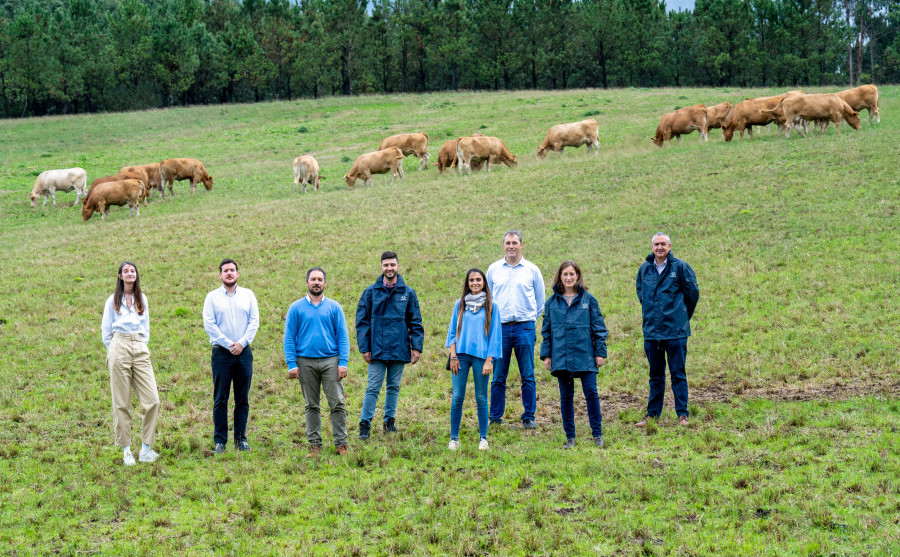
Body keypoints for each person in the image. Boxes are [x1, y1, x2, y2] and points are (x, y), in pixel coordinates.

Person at [355, 251, 424, 439]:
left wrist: (416, 347)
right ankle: (365, 424)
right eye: (386, 265)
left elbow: (415, 321)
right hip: (376, 349)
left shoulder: (408, 293)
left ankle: (389, 422)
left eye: (392, 265)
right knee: (373, 387)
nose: (389, 268)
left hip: (399, 349)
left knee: (393, 387)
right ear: (381, 267)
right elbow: (362, 322)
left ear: (398, 266)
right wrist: (365, 348)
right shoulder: (370, 292)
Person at [540, 260, 608, 449]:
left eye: (572, 274)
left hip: (585, 355)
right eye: (565, 274)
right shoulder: (552, 303)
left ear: (578, 276)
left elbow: (599, 328)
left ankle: (597, 434)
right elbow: (546, 332)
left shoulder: (589, 300)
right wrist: (547, 355)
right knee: (566, 396)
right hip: (561, 356)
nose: (569, 278)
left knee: (591, 393)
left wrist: (600, 353)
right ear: (559, 277)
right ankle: (570, 436)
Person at [283, 267, 351, 457]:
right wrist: (292, 363)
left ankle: (341, 444)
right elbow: (289, 337)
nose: (316, 282)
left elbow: (343, 337)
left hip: (331, 360)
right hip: (305, 363)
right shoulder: (296, 308)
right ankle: (315, 445)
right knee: (311, 405)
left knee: (337, 402)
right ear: (307, 283)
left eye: (320, 279)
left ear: (325, 283)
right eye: (313, 279)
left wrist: (343, 362)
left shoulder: (334, 307)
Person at [634, 233, 700, 427]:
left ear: (670, 246)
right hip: (652, 332)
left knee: (678, 373)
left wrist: (681, 315)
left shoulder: (680, 268)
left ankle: (682, 415)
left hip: (676, 332)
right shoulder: (645, 269)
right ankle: (652, 415)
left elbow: (692, 294)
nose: (659, 247)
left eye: (663, 244)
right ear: (652, 247)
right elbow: (641, 294)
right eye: (656, 244)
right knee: (655, 375)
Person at [101, 261, 160, 466]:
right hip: (119, 345)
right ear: (120, 276)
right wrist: (115, 350)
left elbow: (146, 327)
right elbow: (106, 331)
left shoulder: (142, 299)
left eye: (132, 271)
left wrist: (140, 345)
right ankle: (127, 451)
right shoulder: (112, 300)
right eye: (125, 271)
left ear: (136, 275)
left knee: (153, 400)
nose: (129, 273)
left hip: (139, 346)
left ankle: (145, 449)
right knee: (121, 401)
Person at [486, 230, 545, 429]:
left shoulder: (532, 270)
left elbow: (540, 300)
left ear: (521, 244)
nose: (511, 246)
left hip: (524, 328)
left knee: (527, 374)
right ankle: (495, 417)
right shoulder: (494, 269)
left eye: (515, 242)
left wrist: (529, 320)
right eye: (507, 243)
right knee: (498, 376)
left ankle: (529, 416)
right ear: (503, 245)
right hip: (500, 329)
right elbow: (488, 299)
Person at [202, 258, 260, 454]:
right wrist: (228, 344)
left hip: (244, 353)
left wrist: (241, 343)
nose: (229, 273)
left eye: (232, 270)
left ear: (238, 274)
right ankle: (220, 441)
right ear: (220, 275)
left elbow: (254, 322)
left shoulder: (248, 295)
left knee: (242, 398)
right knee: (221, 398)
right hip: (221, 354)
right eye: (225, 270)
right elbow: (209, 324)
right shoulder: (211, 297)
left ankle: (240, 439)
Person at [445, 269, 503, 450]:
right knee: (457, 397)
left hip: (481, 357)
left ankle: (483, 438)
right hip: (460, 356)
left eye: (478, 279)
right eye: (471, 280)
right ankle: (454, 438)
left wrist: (489, 360)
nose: (475, 283)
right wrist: (453, 356)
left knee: (481, 397)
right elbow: (452, 333)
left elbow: (495, 335)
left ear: (484, 282)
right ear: (467, 283)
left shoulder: (492, 306)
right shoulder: (460, 304)